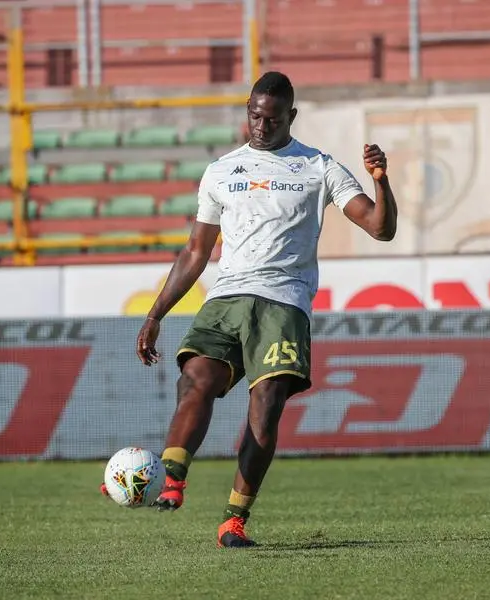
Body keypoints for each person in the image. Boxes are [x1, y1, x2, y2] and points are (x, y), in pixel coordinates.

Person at [102, 71, 399, 548]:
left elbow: (380, 228)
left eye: (271, 118)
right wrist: (156, 314)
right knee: (195, 379)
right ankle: (172, 477)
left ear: (291, 117)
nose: (260, 126)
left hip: (284, 302)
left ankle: (233, 521)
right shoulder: (221, 171)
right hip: (227, 299)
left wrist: (381, 183)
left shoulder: (318, 167)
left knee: (265, 408)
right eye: (254, 115)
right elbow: (196, 253)